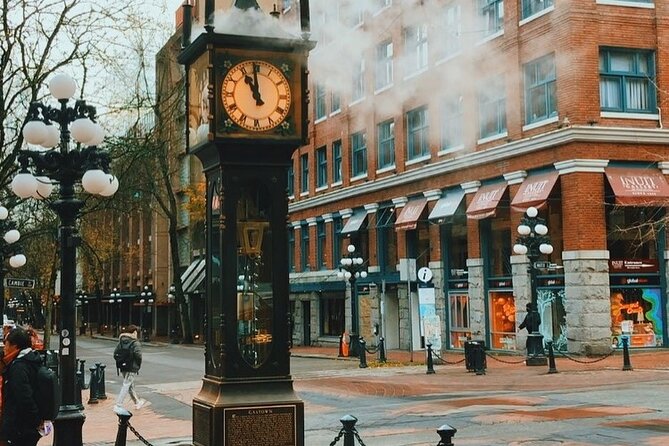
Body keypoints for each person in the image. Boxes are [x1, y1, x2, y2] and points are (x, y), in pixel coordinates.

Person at [0, 327, 49, 446]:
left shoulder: (18, 367)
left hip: (20, 427)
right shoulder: (32, 359)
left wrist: (35, 420)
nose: (4, 348)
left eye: (6, 344)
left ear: (15, 346)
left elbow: (24, 397)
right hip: (26, 427)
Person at [113, 325, 149, 413]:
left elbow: (115, 353)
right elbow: (138, 355)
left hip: (122, 366)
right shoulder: (135, 343)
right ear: (134, 332)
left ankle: (137, 402)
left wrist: (121, 361)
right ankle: (118, 404)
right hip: (131, 366)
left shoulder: (121, 341)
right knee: (126, 384)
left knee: (130, 385)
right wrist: (137, 364)